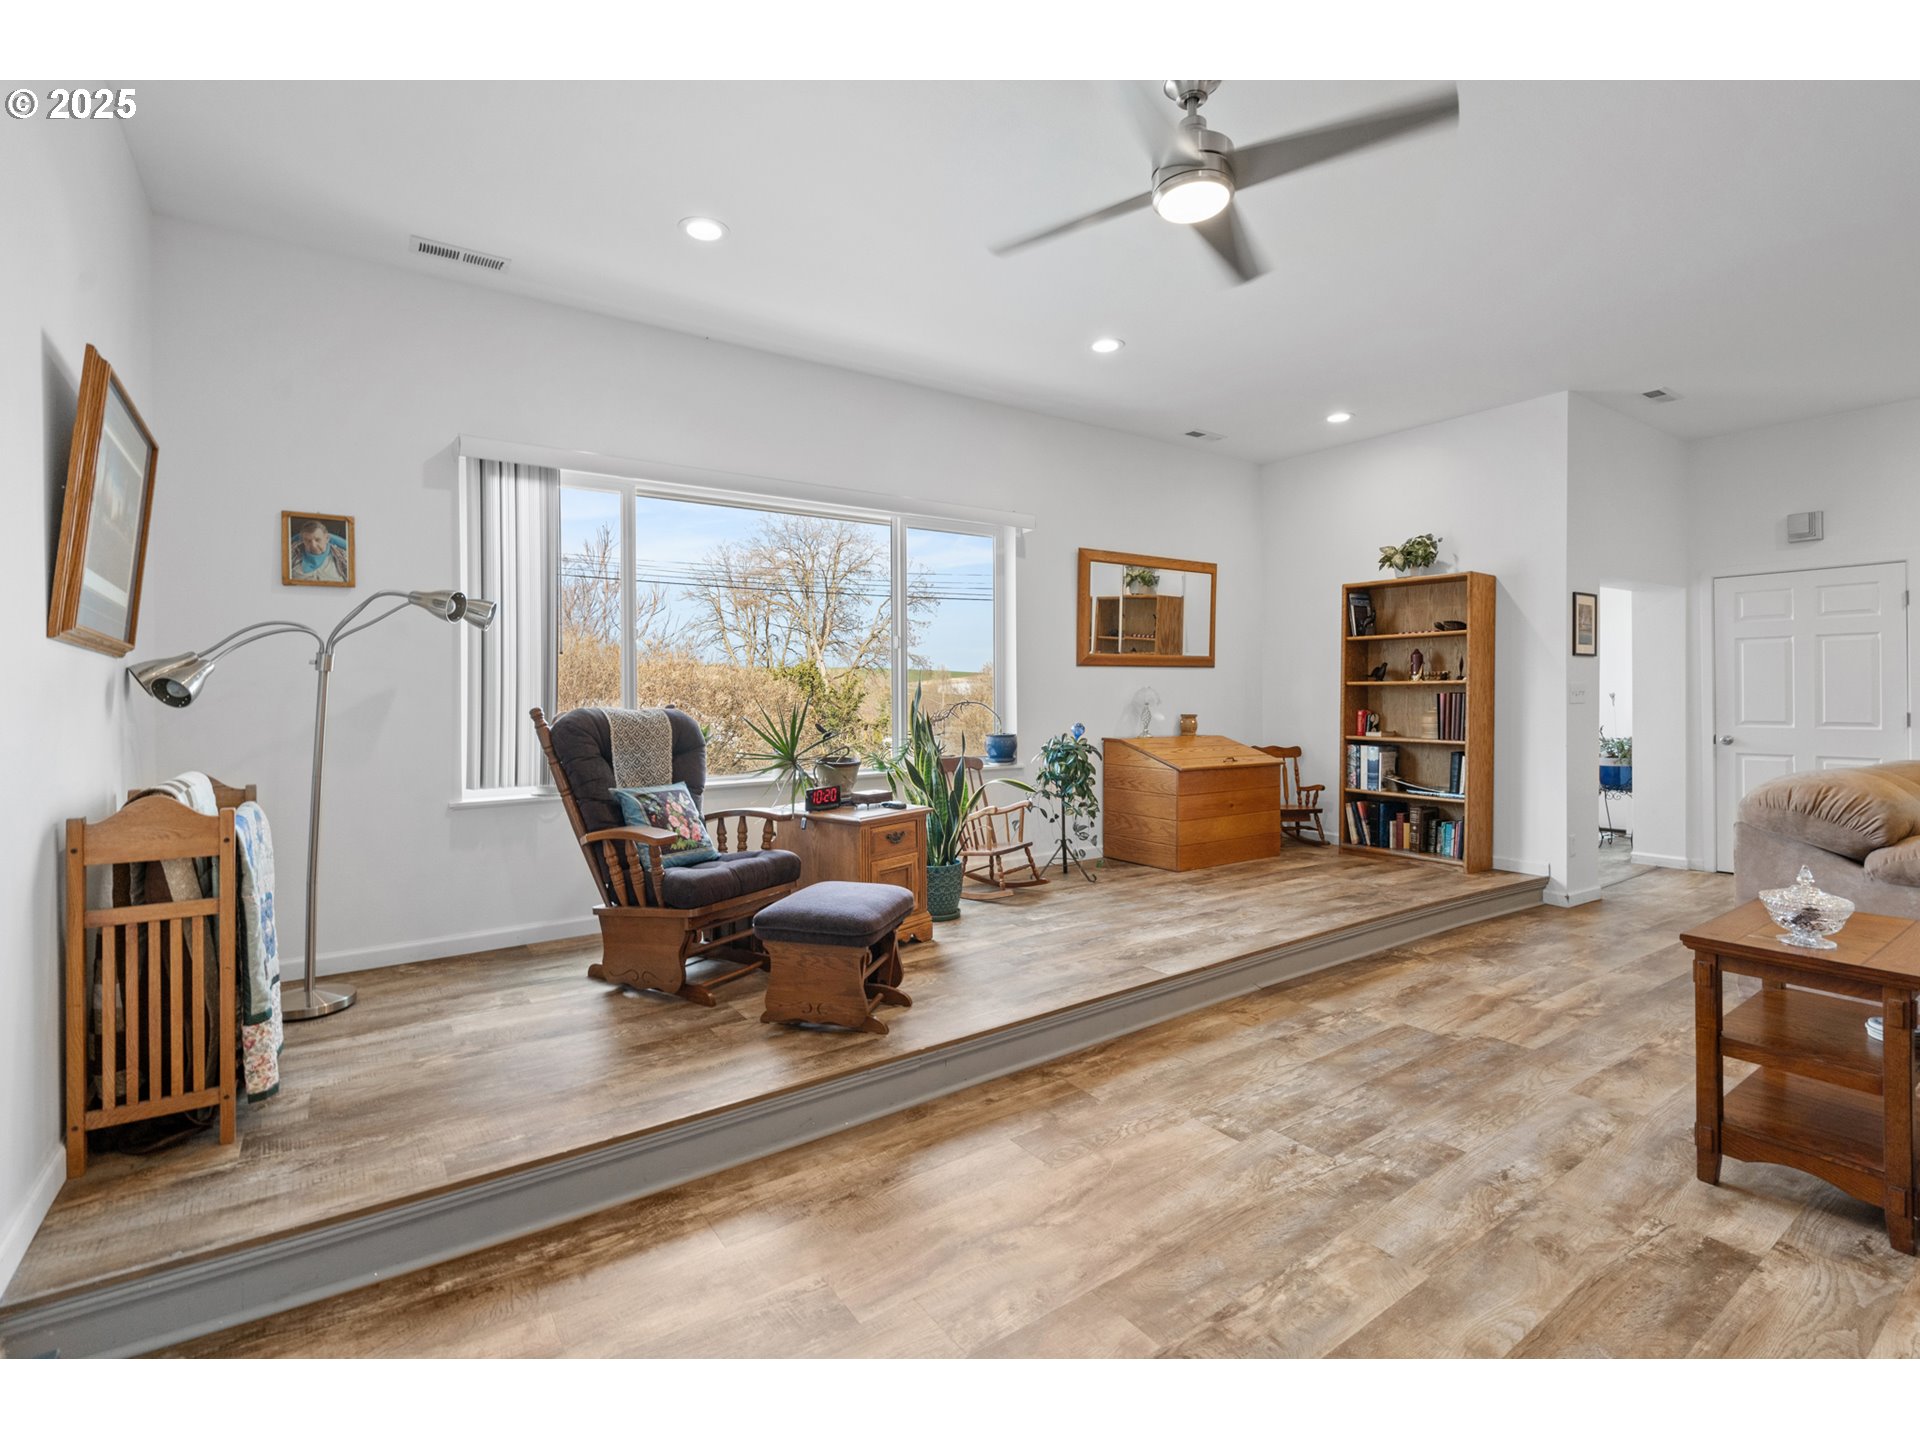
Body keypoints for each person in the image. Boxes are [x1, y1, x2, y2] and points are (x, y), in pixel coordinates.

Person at [289, 518, 349, 582]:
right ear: (302, 540)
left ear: (327, 538)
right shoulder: (291, 555)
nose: (313, 545)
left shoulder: (342, 557)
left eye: (318, 540)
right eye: (308, 541)